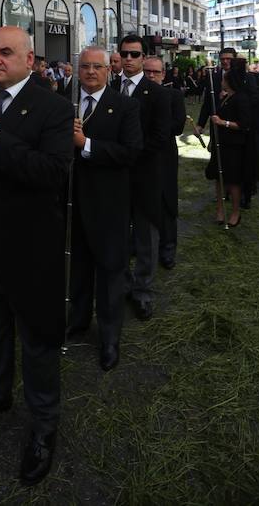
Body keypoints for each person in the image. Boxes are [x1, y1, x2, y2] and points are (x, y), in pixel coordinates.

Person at [0, 26, 74, 486]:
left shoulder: (55, 108)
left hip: (31, 247)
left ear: (29, 58)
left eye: (6, 52)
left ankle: (44, 424)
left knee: (38, 341)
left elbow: (50, 173)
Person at [69, 46, 142, 371]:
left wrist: (87, 145)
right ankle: (78, 320)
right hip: (73, 200)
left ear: (108, 71)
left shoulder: (124, 106)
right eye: (84, 66)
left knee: (110, 272)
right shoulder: (66, 102)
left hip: (110, 204)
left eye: (97, 66)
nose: (90, 72)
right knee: (79, 268)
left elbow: (130, 153)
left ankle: (110, 338)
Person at [111, 34, 170, 321]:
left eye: (135, 54)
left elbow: (160, 137)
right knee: (118, 233)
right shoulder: (110, 88)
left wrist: (127, 155)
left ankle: (143, 291)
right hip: (114, 177)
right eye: (125, 54)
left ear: (144, 58)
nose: (129, 59)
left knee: (146, 237)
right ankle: (122, 284)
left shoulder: (156, 93)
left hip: (145, 175)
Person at [144, 57, 186, 270]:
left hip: (164, 155)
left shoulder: (174, 96)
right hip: (141, 157)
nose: (151, 76)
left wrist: (157, 127)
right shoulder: (136, 95)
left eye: (155, 72)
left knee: (166, 201)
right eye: (148, 71)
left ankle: (167, 248)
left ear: (163, 74)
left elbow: (178, 126)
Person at [205, 62, 251, 227]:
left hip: (234, 146)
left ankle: (235, 212)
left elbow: (244, 124)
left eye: (225, 79)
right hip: (221, 144)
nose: (222, 81)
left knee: (233, 180)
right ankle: (220, 210)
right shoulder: (226, 97)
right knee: (219, 177)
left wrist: (222, 122)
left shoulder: (241, 98)